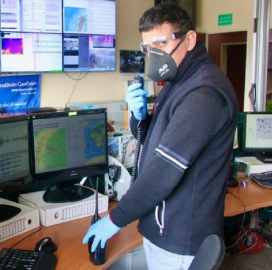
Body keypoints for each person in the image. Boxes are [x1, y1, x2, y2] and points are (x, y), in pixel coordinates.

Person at [83, 3, 238, 270]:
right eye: (147, 47)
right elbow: (155, 139)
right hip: (165, 229)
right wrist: (139, 117)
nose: (154, 54)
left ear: (189, 40)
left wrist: (115, 220)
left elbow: (165, 168)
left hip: (179, 239)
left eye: (161, 43)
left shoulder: (204, 93)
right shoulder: (180, 81)